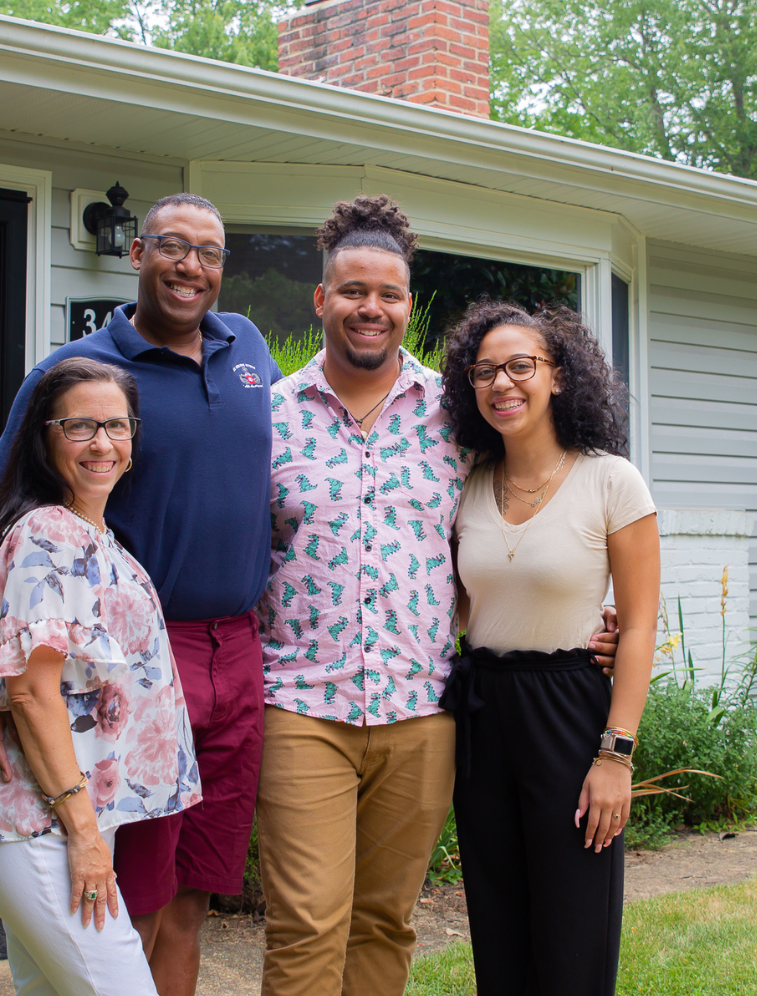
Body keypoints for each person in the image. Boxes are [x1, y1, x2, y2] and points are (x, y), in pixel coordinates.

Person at [254, 197, 620, 996]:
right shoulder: (269, 417)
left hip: (421, 709)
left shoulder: (455, 420)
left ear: (408, 306)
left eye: (387, 294)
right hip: (300, 703)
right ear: (322, 299)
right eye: (352, 290)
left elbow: (527, 513)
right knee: (309, 920)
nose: (370, 308)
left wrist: (593, 614)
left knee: (386, 923)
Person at [0, 193, 278, 996]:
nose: (191, 266)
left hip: (236, 651)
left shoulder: (248, 349)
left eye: (209, 252)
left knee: (194, 892)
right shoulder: (77, 374)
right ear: (136, 253)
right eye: (173, 247)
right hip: (127, 668)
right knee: (124, 895)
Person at [0, 357, 201, 996]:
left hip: (71, 817)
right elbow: (32, 691)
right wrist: (85, 837)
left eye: (117, 427)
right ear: (43, 437)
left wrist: (91, 830)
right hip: (41, 822)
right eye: (80, 426)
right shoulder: (46, 534)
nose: (103, 443)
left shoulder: (96, 536)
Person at [439, 302, 660, 996]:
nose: (502, 382)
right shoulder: (468, 486)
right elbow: (463, 608)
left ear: (558, 376)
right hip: (483, 714)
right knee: (499, 932)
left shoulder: (610, 481)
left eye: (520, 366)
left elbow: (641, 623)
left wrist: (614, 756)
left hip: (569, 712)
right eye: (485, 371)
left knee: (572, 934)